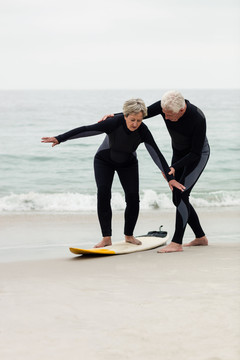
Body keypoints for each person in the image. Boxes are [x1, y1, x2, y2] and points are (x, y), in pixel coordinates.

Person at [42, 98, 185, 248]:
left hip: (128, 163)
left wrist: (170, 178)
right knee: (103, 193)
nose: (135, 124)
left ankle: (129, 235)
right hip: (104, 160)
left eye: (139, 120)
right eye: (132, 120)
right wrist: (60, 138)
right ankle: (106, 238)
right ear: (125, 116)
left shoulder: (143, 130)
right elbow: (86, 129)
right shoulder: (114, 122)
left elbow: (156, 153)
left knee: (133, 197)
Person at [101, 91, 210, 253]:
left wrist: (173, 168)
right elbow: (140, 115)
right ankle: (200, 237)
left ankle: (177, 243)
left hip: (196, 156)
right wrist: (117, 116)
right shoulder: (166, 105)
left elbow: (194, 153)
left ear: (181, 111)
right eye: (163, 113)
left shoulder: (197, 118)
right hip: (178, 153)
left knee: (181, 194)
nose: (165, 117)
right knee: (177, 197)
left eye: (169, 115)